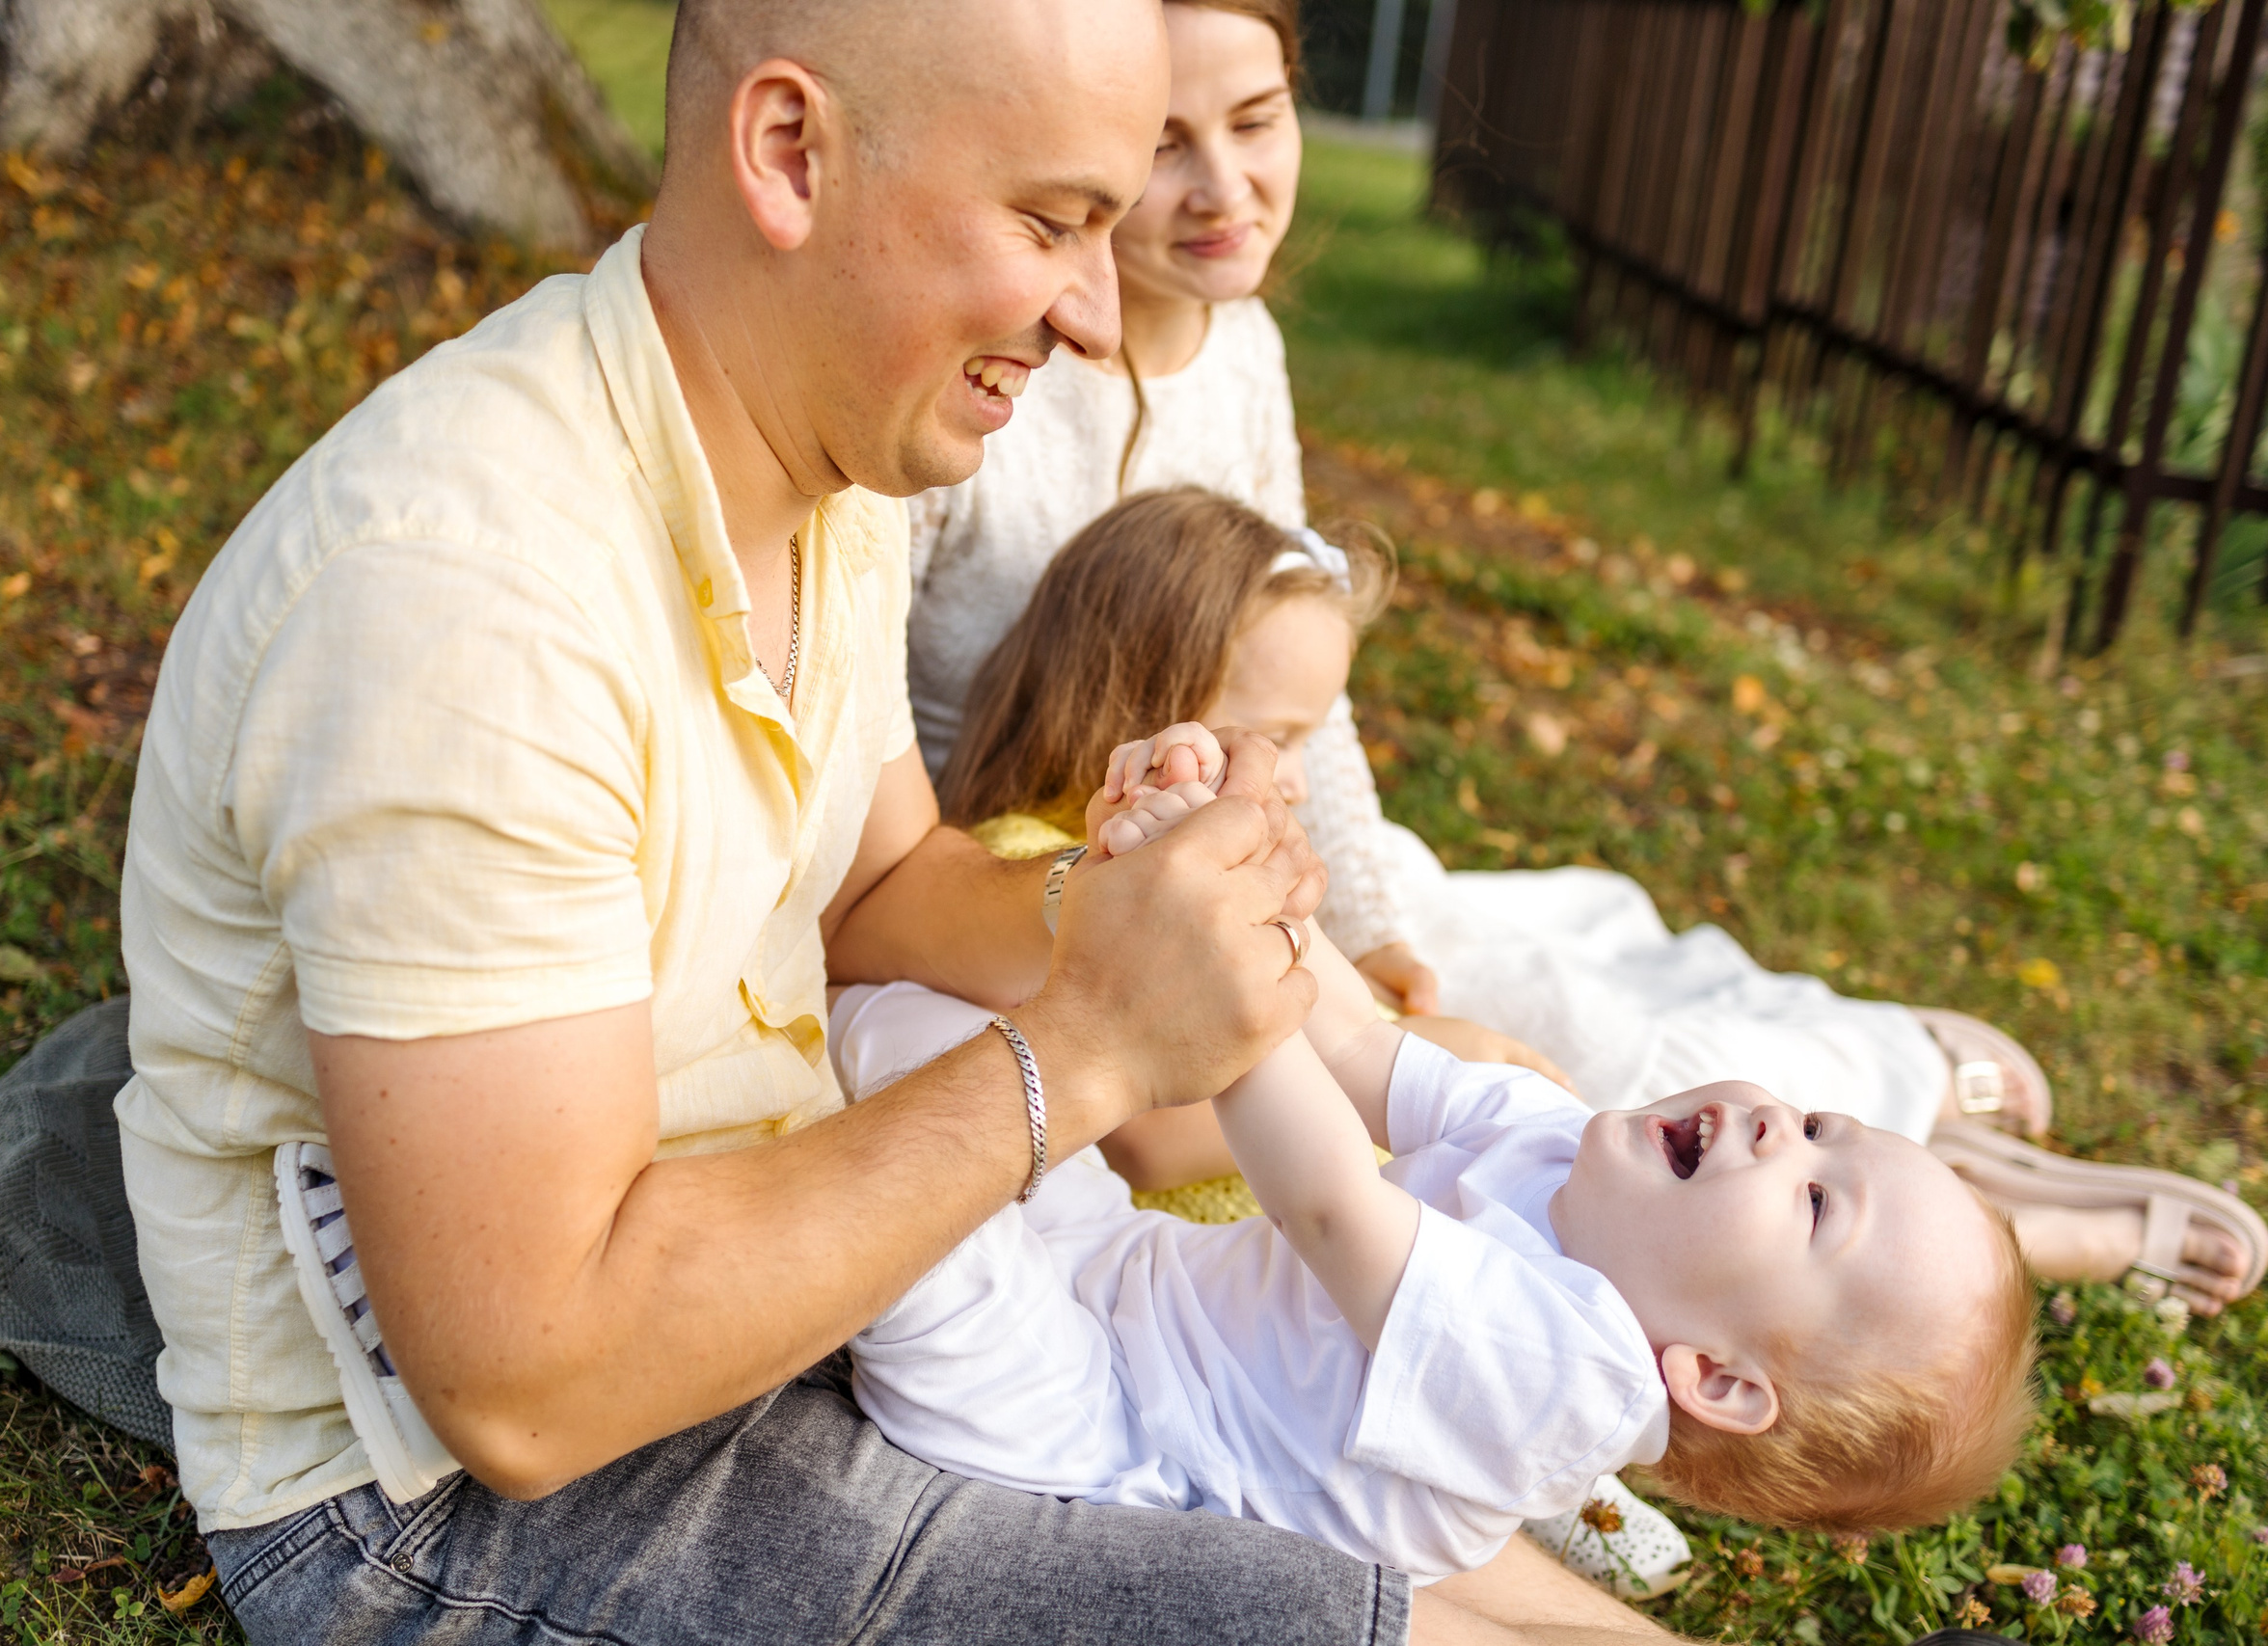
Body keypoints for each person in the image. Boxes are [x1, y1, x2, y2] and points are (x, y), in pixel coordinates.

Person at [109, 2, 1678, 1642]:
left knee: (1334, 1478)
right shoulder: (466, 604)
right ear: (792, 153)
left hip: (796, 1263)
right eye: (1053, 221)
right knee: (1288, 1610)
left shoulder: (824, 467)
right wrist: (1090, 1043)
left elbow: (878, 891)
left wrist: (1124, 898)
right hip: (461, 1498)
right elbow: (531, 1384)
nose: (1096, 314)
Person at [903, 0, 2263, 1317]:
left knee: (1561, 948)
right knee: (1564, 1052)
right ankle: (1932, 1138)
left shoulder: (1240, 348)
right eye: (1161, 147)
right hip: (1060, 871)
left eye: (1256, 121)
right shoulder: (975, 382)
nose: (1224, 187)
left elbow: (1304, 678)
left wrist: (1371, 922)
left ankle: (1899, 1095)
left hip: (1252, 836)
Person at [830, 939, 2039, 1584]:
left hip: (1103, 1439)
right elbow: (1359, 1044)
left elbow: (1329, 1207)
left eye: (1816, 1201)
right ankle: (775, 1013)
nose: (1783, 1128)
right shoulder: (1570, 1146)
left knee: (910, 1206)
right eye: (1822, 1122)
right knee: (923, 1033)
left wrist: (1215, 981)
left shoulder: (1565, 1379)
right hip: (1121, 1266)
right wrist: (1255, 892)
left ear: (1714, 1378)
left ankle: (759, 1126)